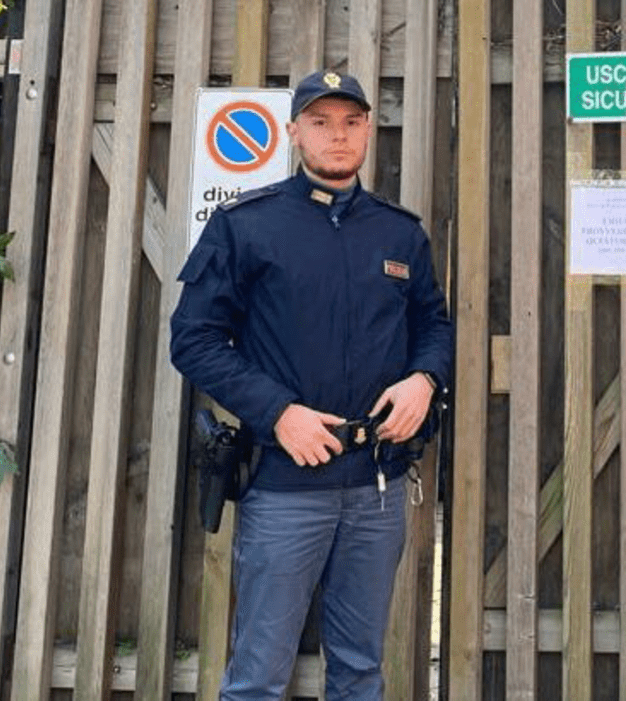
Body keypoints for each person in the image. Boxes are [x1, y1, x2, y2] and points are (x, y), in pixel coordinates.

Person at [170, 69, 454, 700]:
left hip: (377, 487)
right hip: (285, 487)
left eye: (351, 122)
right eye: (321, 123)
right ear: (294, 132)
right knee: (258, 677)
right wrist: (278, 414)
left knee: (359, 671)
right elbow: (192, 340)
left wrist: (424, 380)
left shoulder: (399, 232)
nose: (338, 136)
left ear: (369, 131)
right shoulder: (247, 227)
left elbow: (433, 323)